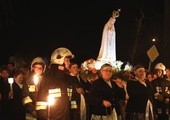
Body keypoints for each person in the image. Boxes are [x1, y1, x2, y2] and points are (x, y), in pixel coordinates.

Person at [36, 47, 74, 120]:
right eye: (67, 60)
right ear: (60, 60)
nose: (69, 63)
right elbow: (41, 104)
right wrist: (44, 118)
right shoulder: (47, 79)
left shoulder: (68, 79)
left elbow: (71, 102)